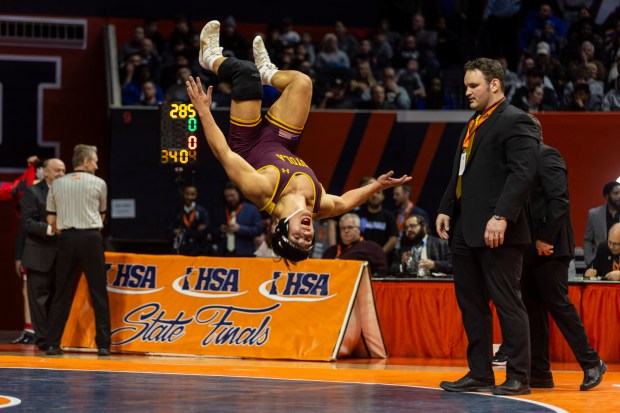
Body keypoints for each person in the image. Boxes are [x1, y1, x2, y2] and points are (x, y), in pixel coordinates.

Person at [187, 20, 410, 264]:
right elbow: (345, 202)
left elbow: (224, 154)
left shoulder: (262, 192)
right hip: (280, 141)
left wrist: (204, 111)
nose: (307, 234)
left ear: (281, 228)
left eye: (298, 237)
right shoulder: (318, 204)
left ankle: (209, 57)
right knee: (302, 83)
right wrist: (376, 186)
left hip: (247, 142)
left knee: (245, 73)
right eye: (309, 239)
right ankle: (269, 73)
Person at [436, 58, 539, 396]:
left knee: (508, 302)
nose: (466, 92)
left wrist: (502, 216)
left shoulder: (516, 121)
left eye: (473, 86)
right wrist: (446, 208)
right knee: (472, 304)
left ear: (494, 84)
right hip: (465, 228)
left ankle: (519, 376)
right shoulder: (473, 122)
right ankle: (479, 373)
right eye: (466, 86)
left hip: (498, 229)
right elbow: (460, 172)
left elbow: (522, 174)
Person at [518, 115, 606, 390]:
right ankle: (540, 373)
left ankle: (592, 363)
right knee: (533, 310)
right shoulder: (521, 163)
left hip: (550, 246)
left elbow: (559, 201)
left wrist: (544, 238)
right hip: (529, 247)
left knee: (558, 304)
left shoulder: (548, 156)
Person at [45, 144, 111, 356]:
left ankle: (53, 344)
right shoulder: (99, 183)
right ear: (86, 162)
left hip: (66, 238)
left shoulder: (56, 184)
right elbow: (102, 215)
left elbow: (51, 219)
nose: (97, 164)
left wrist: (66, 228)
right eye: (95, 160)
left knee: (61, 292)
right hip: (91, 238)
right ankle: (103, 345)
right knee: (98, 291)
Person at [19, 158, 66, 351]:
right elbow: (27, 222)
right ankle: (43, 340)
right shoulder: (33, 192)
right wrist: (50, 229)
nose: (61, 174)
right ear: (45, 172)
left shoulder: (66, 193)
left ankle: (55, 340)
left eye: (63, 171)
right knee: (39, 300)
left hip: (62, 255)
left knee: (58, 299)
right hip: (39, 255)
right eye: (57, 171)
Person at [322, 213, 388, 277]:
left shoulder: (371, 248)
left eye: (350, 227)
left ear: (359, 229)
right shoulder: (330, 251)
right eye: (343, 228)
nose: (346, 230)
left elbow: (382, 272)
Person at [356, 177, 398, 260]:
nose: (374, 195)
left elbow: (393, 238)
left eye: (378, 192)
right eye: (372, 193)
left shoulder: (389, 216)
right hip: (359, 257)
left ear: (383, 196)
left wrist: (379, 254)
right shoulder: (358, 214)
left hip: (381, 258)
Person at [219, 181, 264, 257]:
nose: (229, 199)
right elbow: (211, 230)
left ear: (239, 194)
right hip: (225, 254)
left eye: (232, 196)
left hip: (245, 254)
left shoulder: (251, 209)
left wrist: (239, 229)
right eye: (227, 197)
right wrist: (221, 230)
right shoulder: (222, 210)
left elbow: (258, 230)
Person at [583, 180, 620, 266]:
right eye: (616, 193)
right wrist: (589, 261)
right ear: (607, 196)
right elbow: (587, 240)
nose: (619, 196)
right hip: (599, 263)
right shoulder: (594, 214)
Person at [166, 183, 209, 256]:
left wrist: (183, 232)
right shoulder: (175, 211)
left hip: (197, 250)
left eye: (192, 194)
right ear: (183, 193)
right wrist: (194, 232)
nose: (189, 197)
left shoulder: (202, 212)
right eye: (187, 194)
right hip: (180, 249)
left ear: (196, 194)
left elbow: (203, 234)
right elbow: (169, 231)